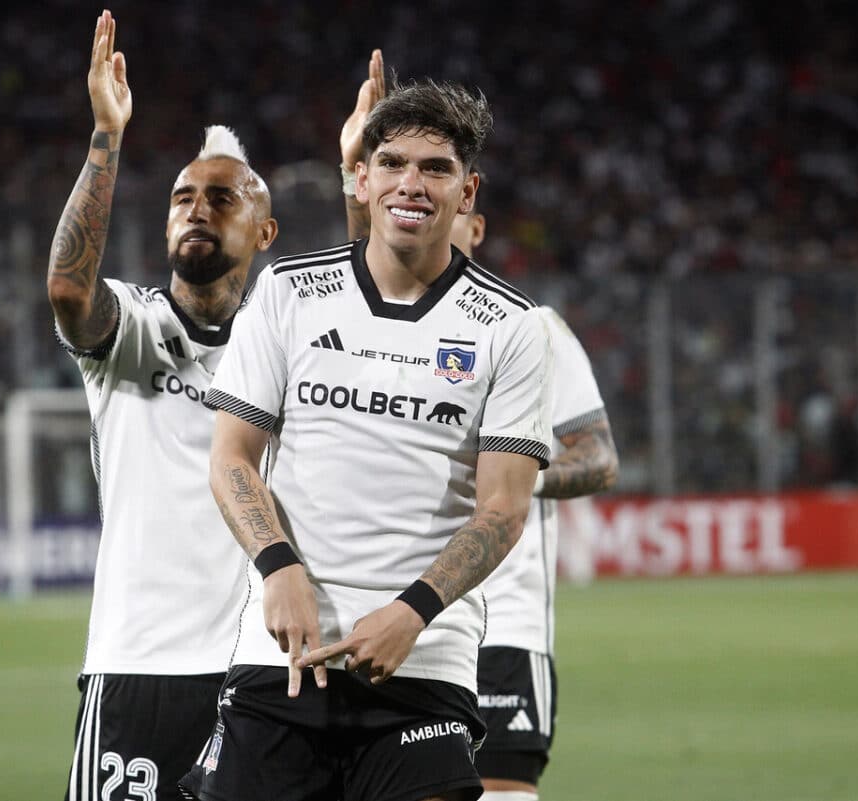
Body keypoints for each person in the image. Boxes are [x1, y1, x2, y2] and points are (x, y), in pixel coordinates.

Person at [184, 78, 555, 801]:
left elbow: (504, 509)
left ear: (467, 192)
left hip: (423, 660)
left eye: (436, 168)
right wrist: (278, 568)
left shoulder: (511, 328)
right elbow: (231, 458)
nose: (411, 183)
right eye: (392, 163)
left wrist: (411, 612)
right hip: (285, 653)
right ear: (361, 178)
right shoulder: (288, 292)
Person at [341, 52, 621, 801]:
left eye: (438, 180)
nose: (416, 199)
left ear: (472, 213)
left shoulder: (531, 330)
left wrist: (509, 474)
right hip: (387, 613)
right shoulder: (368, 328)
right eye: (396, 172)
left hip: (503, 624)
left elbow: (599, 458)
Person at [46, 11, 279, 801]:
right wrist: (106, 136)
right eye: (183, 196)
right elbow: (67, 290)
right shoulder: (133, 328)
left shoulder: (282, 346)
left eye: (222, 197)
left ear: (265, 231)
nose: (197, 208)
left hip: (256, 675)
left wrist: (359, 183)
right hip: (136, 665)